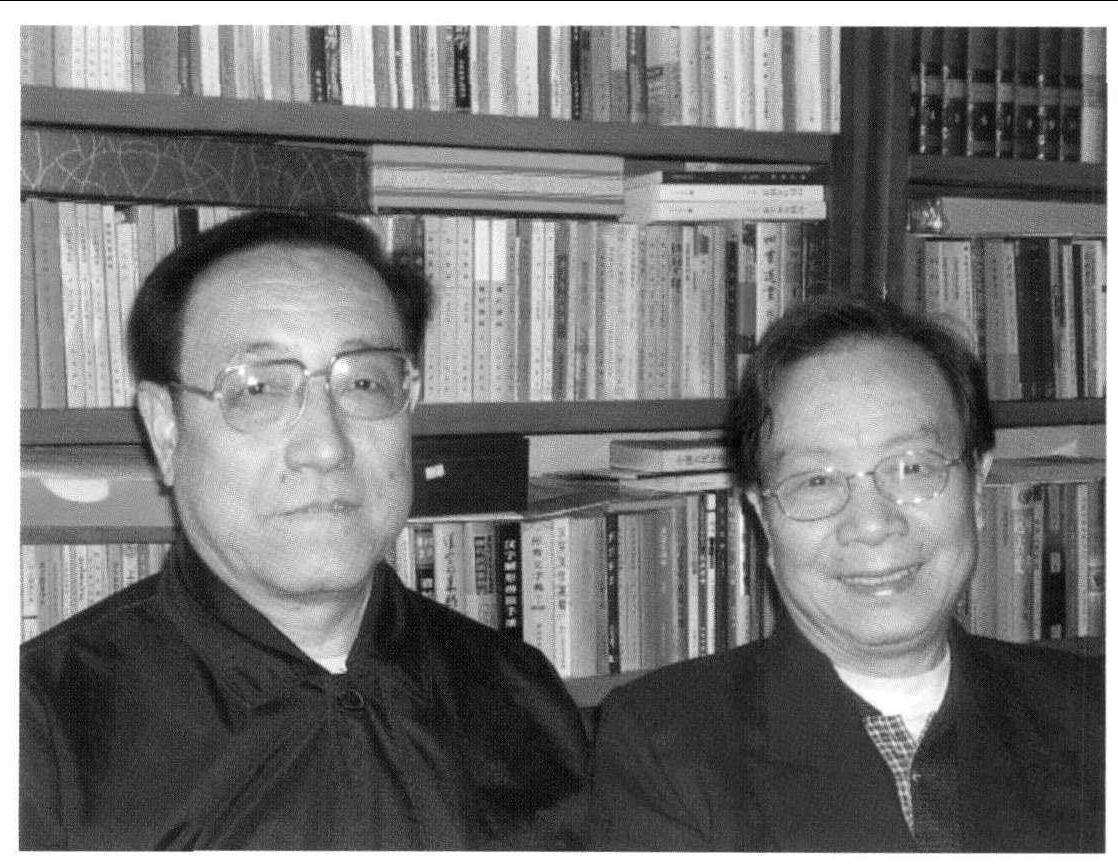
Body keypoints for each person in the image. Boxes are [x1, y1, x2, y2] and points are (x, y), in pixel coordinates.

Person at [20, 211, 589, 850]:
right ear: (167, 430)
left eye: (365, 383)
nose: (325, 446)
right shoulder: (41, 733)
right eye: (258, 389)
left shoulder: (520, 696)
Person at [586, 296, 1103, 852]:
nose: (873, 525)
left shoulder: (1091, 708)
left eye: (912, 467)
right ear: (763, 518)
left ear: (977, 489)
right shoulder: (666, 747)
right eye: (816, 480)